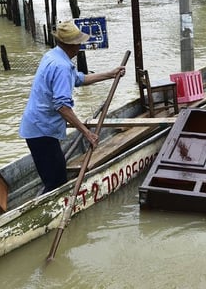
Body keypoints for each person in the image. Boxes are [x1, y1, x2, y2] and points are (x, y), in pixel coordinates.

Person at [19, 20, 126, 194]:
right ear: (71, 45)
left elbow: (78, 79)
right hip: (42, 130)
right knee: (56, 183)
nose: (80, 46)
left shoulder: (53, 56)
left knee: (54, 175)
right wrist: (87, 132)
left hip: (37, 127)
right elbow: (62, 106)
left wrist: (110, 74)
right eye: (79, 43)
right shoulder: (61, 66)